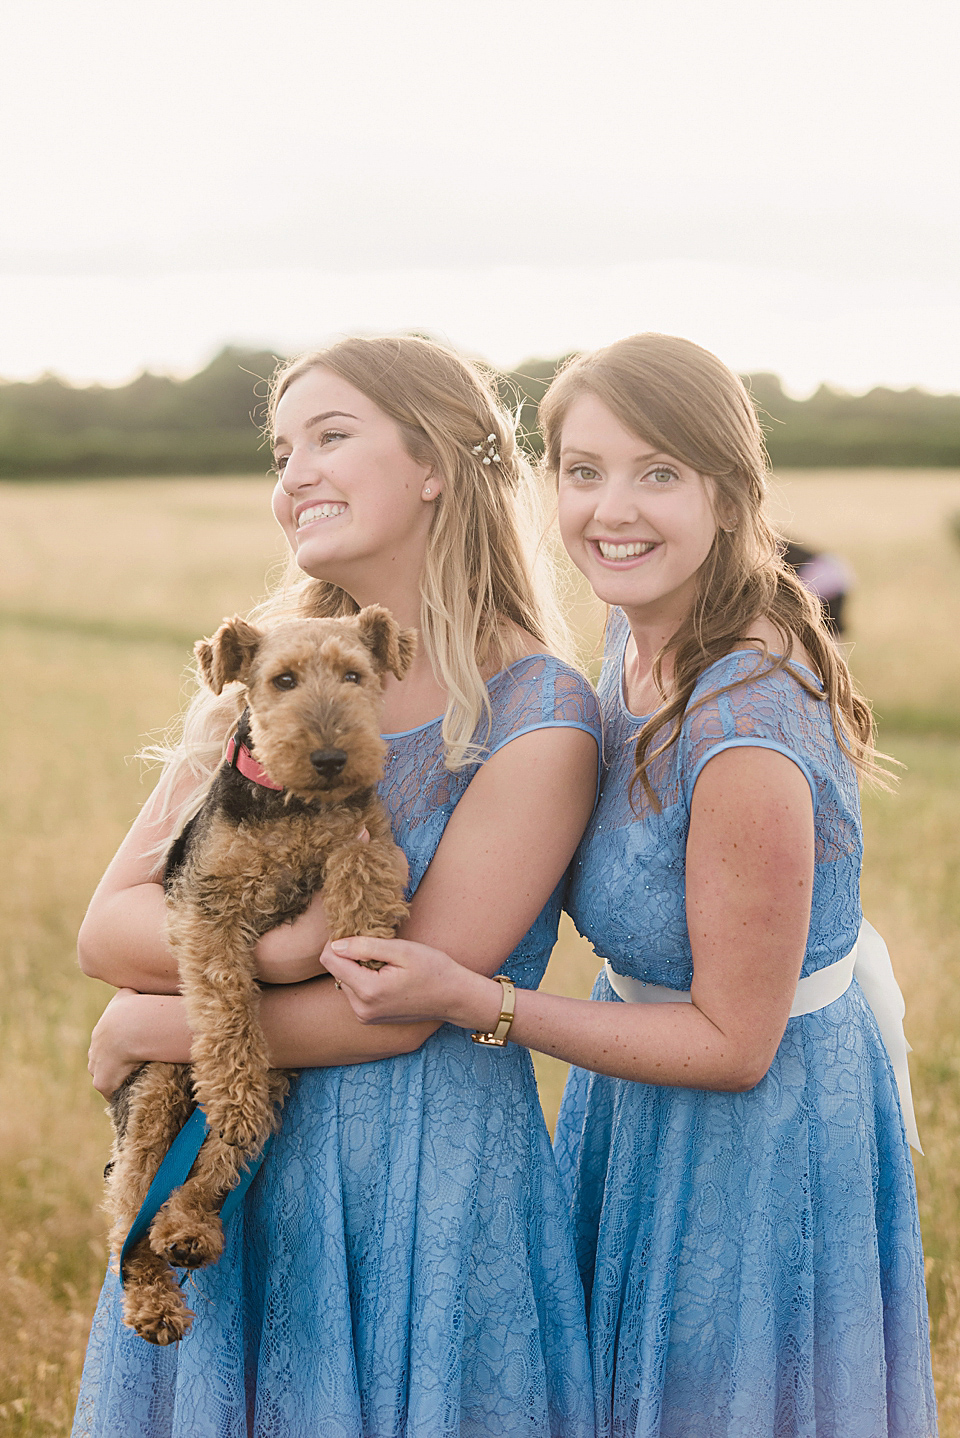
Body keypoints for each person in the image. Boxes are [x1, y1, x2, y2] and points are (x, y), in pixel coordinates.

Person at [323, 335, 937, 1437]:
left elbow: (735, 1046)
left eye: (660, 472)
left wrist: (483, 1002)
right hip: (637, 1099)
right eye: (584, 469)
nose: (616, 508)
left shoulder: (744, 721)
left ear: (731, 492)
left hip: (755, 1136)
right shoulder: (638, 633)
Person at [73, 336, 601, 1438]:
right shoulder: (264, 683)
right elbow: (108, 926)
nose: (292, 474)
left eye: (330, 435)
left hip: (417, 1178)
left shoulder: (534, 713)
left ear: (436, 465)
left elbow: (394, 1012)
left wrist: (146, 1013)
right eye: (280, 450)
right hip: (236, 1169)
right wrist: (262, 954)